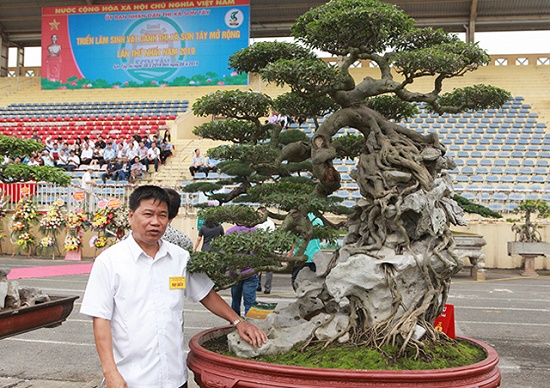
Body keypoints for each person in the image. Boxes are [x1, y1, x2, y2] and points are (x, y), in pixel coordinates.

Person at [80, 186, 266, 388]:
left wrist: (238, 321)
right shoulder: (110, 261)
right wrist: (110, 372)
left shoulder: (180, 257)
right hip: (131, 379)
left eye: (162, 215)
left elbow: (206, 294)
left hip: (174, 377)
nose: (155, 222)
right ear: (131, 216)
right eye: (148, 214)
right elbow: (101, 320)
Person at [226, 223, 259, 316]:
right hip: (251, 271)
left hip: (234, 272)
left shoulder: (230, 232)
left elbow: (225, 253)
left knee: (235, 301)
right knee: (250, 301)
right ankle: (251, 324)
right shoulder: (255, 231)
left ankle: (235, 323)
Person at [291, 212, 324, 291]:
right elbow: (321, 239)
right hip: (315, 256)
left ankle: (301, 294)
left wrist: (290, 253)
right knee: (315, 280)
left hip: (300, 255)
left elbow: (293, 240)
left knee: (295, 279)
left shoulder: (296, 221)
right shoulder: (318, 221)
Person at [256, 207, 276, 294]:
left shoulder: (262, 224)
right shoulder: (271, 223)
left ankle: (260, 285)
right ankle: (266, 287)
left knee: (259, 267)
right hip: (270, 246)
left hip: (263, 246)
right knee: (267, 268)